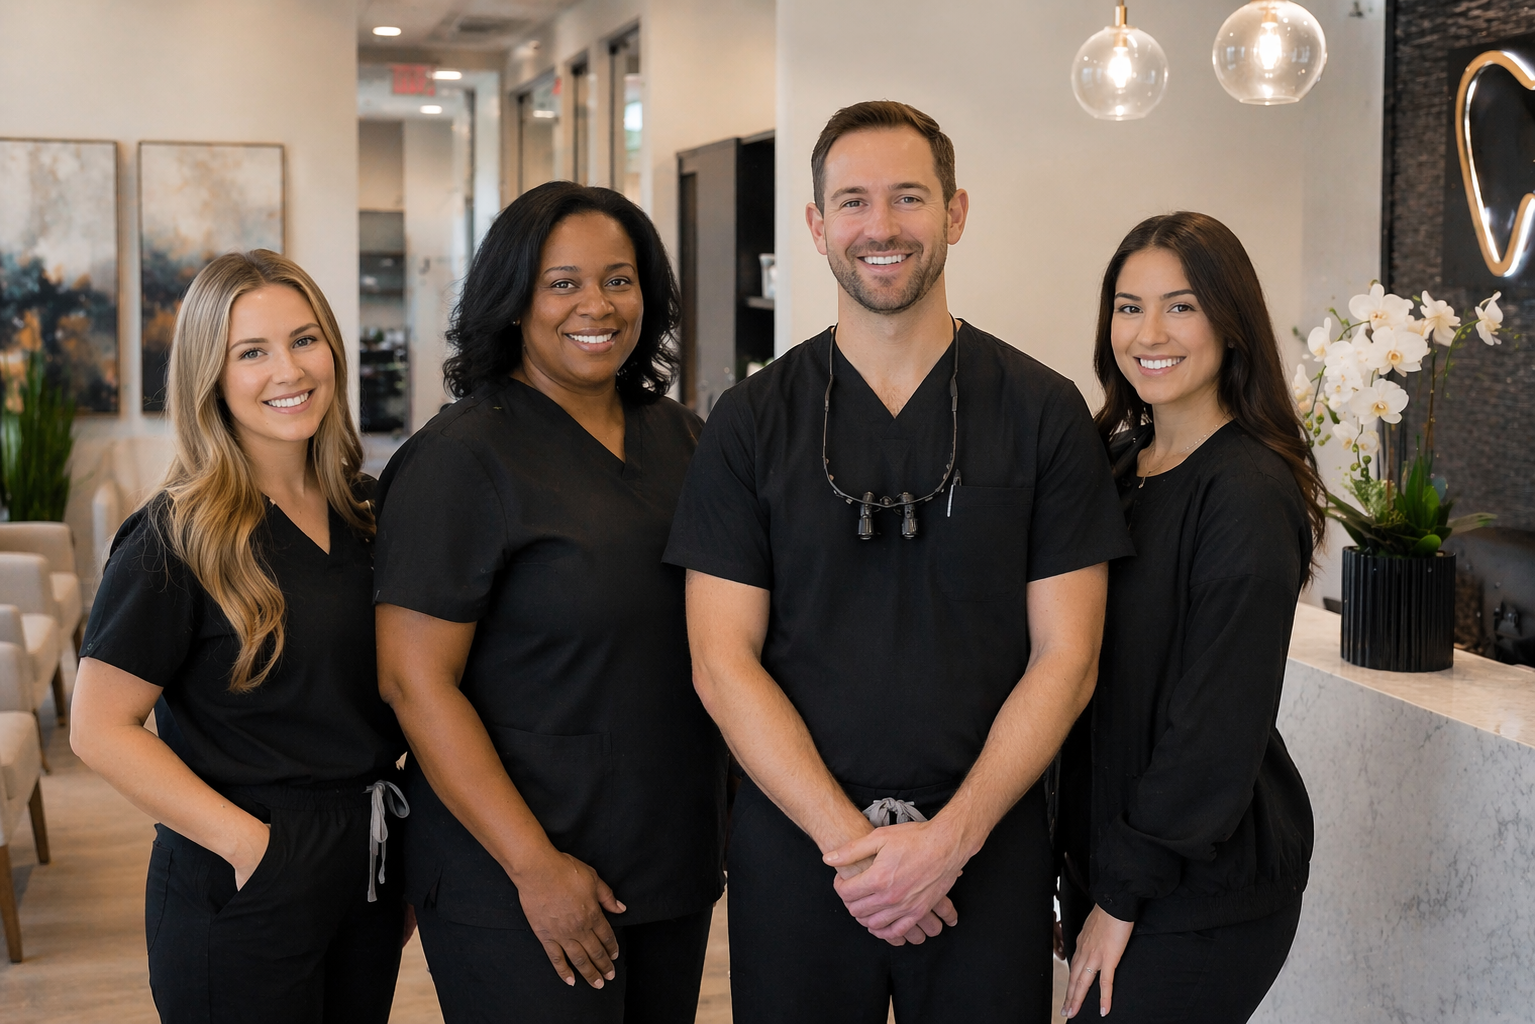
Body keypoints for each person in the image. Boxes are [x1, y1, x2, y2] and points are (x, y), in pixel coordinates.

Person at [664, 100, 1133, 1022]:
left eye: (908, 199)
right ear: (815, 226)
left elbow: (1067, 659)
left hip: (985, 848)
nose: (880, 227)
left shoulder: (1042, 414)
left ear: (955, 214)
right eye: (852, 202)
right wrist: (854, 848)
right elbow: (721, 662)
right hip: (800, 847)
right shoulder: (749, 422)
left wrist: (946, 843)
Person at [372, 181, 727, 1024]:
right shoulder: (460, 459)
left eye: (618, 278)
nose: (595, 305)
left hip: (667, 854)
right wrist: (535, 867)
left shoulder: (683, 440)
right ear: (512, 298)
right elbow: (412, 683)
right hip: (515, 868)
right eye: (561, 283)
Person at [70, 251, 409, 1023]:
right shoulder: (176, 534)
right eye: (250, 352)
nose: (287, 370)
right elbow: (97, 727)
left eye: (304, 339)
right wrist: (252, 848)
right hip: (241, 872)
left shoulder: (372, 511)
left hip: (368, 863)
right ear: (209, 377)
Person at [1057, 212, 1321, 1022]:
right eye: (1128, 307)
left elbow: (1215, 724)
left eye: (1180, 306)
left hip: (1196, 892)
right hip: (1116, 868)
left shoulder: (1243, 489)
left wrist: (1122, 896)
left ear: (1229, 322)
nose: (1149, 332)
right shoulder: (1114, 463)